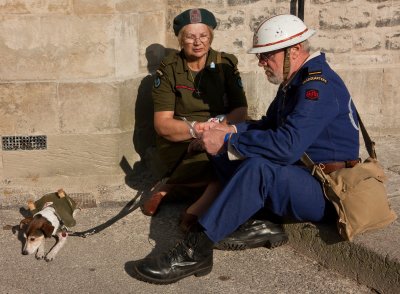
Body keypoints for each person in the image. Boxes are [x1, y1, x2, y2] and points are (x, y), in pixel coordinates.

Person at [132, 14, 360, 284]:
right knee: (220, 151)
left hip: (327, 190)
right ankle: (256, 222)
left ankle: (195, 251)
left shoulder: (316, 87)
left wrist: (230, 141)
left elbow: (287, 146)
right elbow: (267, 126)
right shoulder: (294, 81)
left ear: (295, 51)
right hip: (298, 176)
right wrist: (226, 132)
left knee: (258, 168)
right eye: (260, 56)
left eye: (267, 55)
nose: (261, 62)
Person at [141, 8, 248, 232]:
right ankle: (195, 212)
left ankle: (172, 188)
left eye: (203, 36)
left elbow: (240, 110)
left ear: (210, 37)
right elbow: (162, 124)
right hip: (182, 139)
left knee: (242, 160)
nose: (198, 42)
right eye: (190, 36)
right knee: (227, 168)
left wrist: (217, 127)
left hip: (220, 130)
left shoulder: (225, 65)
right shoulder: (169, 69)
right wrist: (195, 129)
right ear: (181, 40)